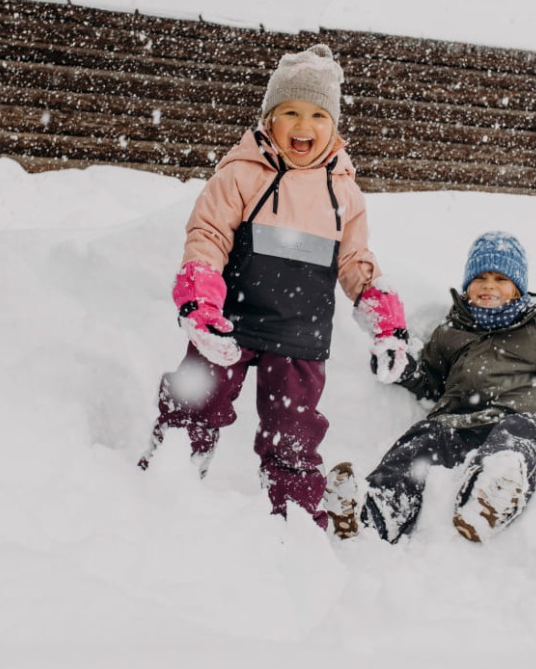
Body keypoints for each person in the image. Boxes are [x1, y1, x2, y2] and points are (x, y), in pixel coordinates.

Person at [138, 44, 409, 529]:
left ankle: (295, 521)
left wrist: (385, 324)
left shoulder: (343, 191)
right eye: (289, 112)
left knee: (294, 432)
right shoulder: (242, 173)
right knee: (197, 400)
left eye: (317, 114)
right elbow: (209, 236)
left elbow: (355, 260)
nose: (303, 126)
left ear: (334, 125)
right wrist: (200, 302)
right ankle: (165, 484)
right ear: (269, 118)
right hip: (231, 323)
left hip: (300, 336)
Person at [324, 231, 536, 543]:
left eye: (501, 278)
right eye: (481, 278)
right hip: (458, 421)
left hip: (519, 415)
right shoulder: (452, 330)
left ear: (518, 288)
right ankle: (374, 512)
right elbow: (431, 381)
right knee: (420, 442)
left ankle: (490, 499)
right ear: (468, 286)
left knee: (517, 442)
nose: (489, 286)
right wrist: (405, 369)